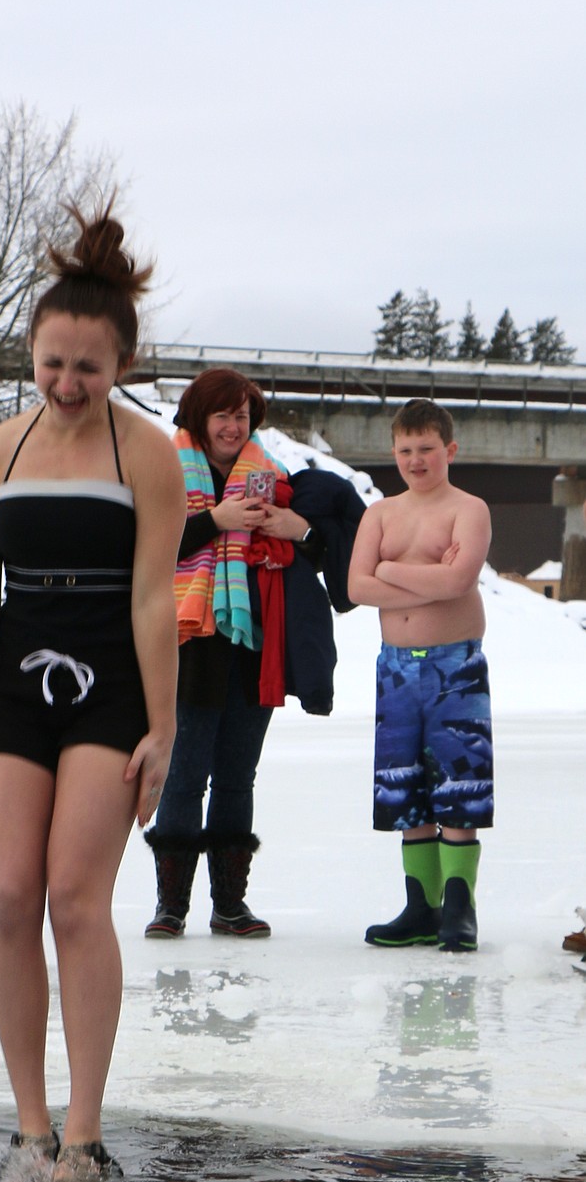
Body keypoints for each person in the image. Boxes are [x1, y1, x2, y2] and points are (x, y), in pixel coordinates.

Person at [0, 206, 186, 1182]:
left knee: (75, 901)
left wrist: (163, 729)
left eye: (87, 368)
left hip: (109, 685)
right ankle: (31, 1126)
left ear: (122, 364)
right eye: (51, 363)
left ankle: (83, 1136)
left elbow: (149, 600)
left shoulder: (146, 456)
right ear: (32, 354)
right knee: (8, 898)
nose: (67, 384)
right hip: (12, 684)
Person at [144, 368, 365, 940]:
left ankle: (230, 906)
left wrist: (301, 529)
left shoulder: (272, 476)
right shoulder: (165, 471)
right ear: (199, 418)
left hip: (251, 644)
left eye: (243, 416)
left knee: (237, 779)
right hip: (188, 644)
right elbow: (141, 545)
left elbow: (315, 557)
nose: (234, 427)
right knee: (183, 778)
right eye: (223, 415)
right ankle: (171, 907)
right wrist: (214, 521)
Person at [347, 399, 493, 951]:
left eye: (427, 449)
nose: (416, 460)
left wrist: (387, 568)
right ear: (393, 453)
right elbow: (356, 588)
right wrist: (424, 574)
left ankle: (459, 909)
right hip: (396, 670)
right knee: (403, 786)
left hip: (455, 665)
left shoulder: (468, 508)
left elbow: (458, 582)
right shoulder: (380, 514)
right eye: (406, 450)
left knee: (460, 783)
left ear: (449, 450)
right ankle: (421, 907)